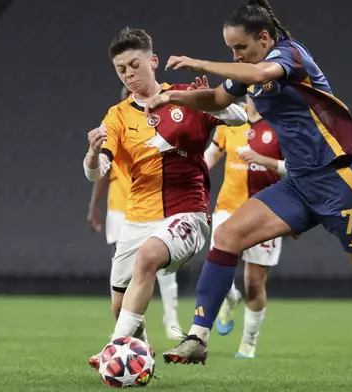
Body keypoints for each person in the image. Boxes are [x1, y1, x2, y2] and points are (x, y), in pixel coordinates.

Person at [147, 0, 352, 365]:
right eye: (231, 50)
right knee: (227, 236)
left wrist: (199, 63)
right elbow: (216, 98)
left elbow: (261, 76)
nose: (236, 56)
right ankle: (198, 338)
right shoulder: (250, 68)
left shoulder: (290, 55)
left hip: (341, 180)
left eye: (240, 48)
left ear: (264, 38)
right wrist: (171, 95)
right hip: (299, 184)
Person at [83, 27, 247, 368]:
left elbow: (239, 116)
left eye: (134, 64)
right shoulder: (117, 116)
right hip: (137, 217)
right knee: (120, 308)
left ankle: (113, 350)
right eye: (121, 69)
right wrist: (91, 155)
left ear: (153, 61)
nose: (128, 74)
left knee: (148, 257)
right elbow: (99, 168)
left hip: (186, 212)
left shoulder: (184, 95)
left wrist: (206, 102)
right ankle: (139, 358)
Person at [87, 86, 184, 344]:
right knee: (123, 275)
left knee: (161, 266)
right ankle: (136, 338)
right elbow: (101, 174)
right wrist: (93, 206)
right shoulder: (116, 129)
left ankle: (171, 318)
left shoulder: (156, 133)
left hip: (156, 207)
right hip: (121, 210)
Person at [205, 94, 287, 358]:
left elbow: (296, 168)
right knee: (218, 268)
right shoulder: (230, 120)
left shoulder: (282, 124)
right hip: (227, 209)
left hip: (265, 213)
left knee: (254, 283)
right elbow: (210, 156)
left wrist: (264, 161)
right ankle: (229, 298)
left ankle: (249, 342)